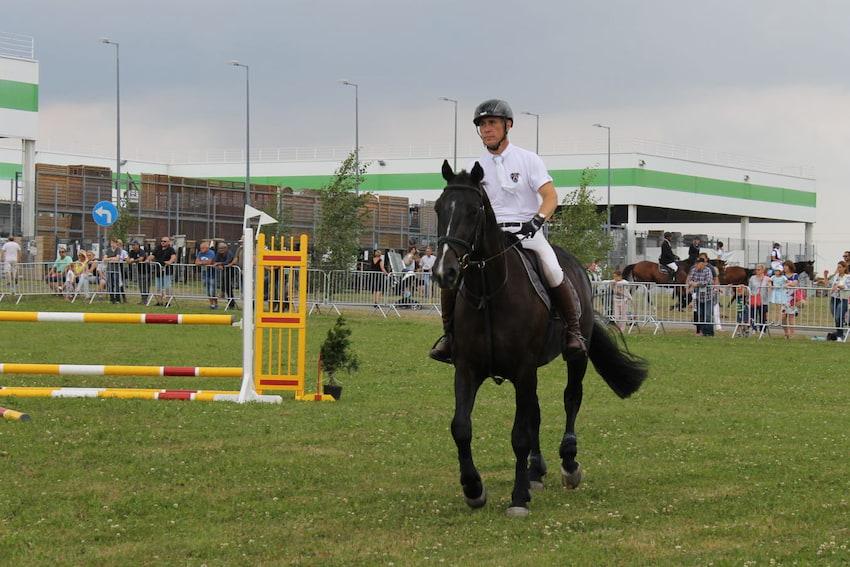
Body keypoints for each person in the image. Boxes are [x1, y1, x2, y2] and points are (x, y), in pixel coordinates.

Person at [429, 98, 586, 363]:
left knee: (553, 269)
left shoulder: (528, 160)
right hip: (489, 237)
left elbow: (550, 197)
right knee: (452, 275)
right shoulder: (475, 168)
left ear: (507, 125)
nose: (487, 129)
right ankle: (449, 337)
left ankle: (573, 330)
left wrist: (537, 220)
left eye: (492, 123)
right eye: (482, 125)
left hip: (527, 232)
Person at [687, 257, 714, 337]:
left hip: (708, 296)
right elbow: (689, 280)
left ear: (702, 264)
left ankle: (709, 333)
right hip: (699, 296)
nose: (696, 265)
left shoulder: (707, 270)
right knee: (700, 314)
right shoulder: (693, 270)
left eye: (697, 263)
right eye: (695, 263)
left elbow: (709, 281)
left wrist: (697, 284)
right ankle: (703, 332)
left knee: (708, 315)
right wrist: (691, 283)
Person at [148, 236, 177, 306]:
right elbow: (152, 255)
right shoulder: (158, 248)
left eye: (164, 241)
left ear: (168, 242)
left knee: (167, 287)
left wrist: (170, 262)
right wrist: (148, 259)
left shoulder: (171, 249)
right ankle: (159, 302)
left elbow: (173, 257)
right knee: (158, 287)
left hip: (167, 271)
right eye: (162, 241)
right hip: (158, 271)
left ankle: (168, 302)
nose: (163, 242)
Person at [826, 260, 850, 340]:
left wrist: (838, 286)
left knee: (838, 316)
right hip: (834, 298)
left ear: (844, 268)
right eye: (838, 267)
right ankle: (839, 333)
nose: (838, 269)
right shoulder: (835, 276)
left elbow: (846, 286)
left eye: (840, 267)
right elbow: (828, 284)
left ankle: (840, 334)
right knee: (836, 317)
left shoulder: (848, 277)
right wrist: (825, 276)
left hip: (843, 299)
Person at [126, 240, 151, 304]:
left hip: (146, 271)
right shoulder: (132, 252)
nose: (133, 246)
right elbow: (127, 258)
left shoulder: (141, 251)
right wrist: (128, 260)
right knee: (141, 286)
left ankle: (145, 300)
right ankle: (143, 299)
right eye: (132, 245)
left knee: (145, 286)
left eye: (134, 245)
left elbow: (141, 259)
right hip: (140, 271)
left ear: (138, 245)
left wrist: (132, 261)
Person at [102, 238, 127, 304]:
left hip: (116, 269)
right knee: (110, 284)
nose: (112, 244)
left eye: (113, 243)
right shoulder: (108, 250)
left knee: (117, 284)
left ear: (116, 243)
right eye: (111, 243)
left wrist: (110, 259)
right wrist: (111, 258)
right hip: (109, 269)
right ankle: (111, 298)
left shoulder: (118, 250)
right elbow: (104, 259)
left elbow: (117, 258)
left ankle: (118, 299)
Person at [747, 265, 769, 334]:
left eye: (759, 269)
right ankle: (754, 328)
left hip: (764, 299)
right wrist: (748, 297)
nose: (757, 271)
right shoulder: (752, 278)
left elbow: (769, 288)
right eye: (756, 269)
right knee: (753, 314)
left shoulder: (767, 279)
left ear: (763, 270)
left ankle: (763, 329)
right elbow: (749, 288)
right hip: (754, 299)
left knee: (762, 315)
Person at [195, 241, 218, 309]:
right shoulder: (200, 253)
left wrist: (201, 263)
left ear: (207, 248)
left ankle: (216, 303)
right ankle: (211, 304)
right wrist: (203, 263)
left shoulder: (211, 253)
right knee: (208, 290)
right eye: (201, 248)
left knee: (212, 290)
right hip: (204, 274)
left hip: (212, 274)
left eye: (202, 248)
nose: (201, 249)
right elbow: (196, 262)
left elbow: (209, 262)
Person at [781, 260, 798, 339]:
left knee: (791, 316)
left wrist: (788, 284)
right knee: (783, 317)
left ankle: (792, 334)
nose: (784, 268)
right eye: (784, 266)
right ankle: (786, 332)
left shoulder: (795, 275)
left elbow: (794, 283)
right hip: (783, 298)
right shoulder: (782, 275)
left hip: (792, 299)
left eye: (786, 266)